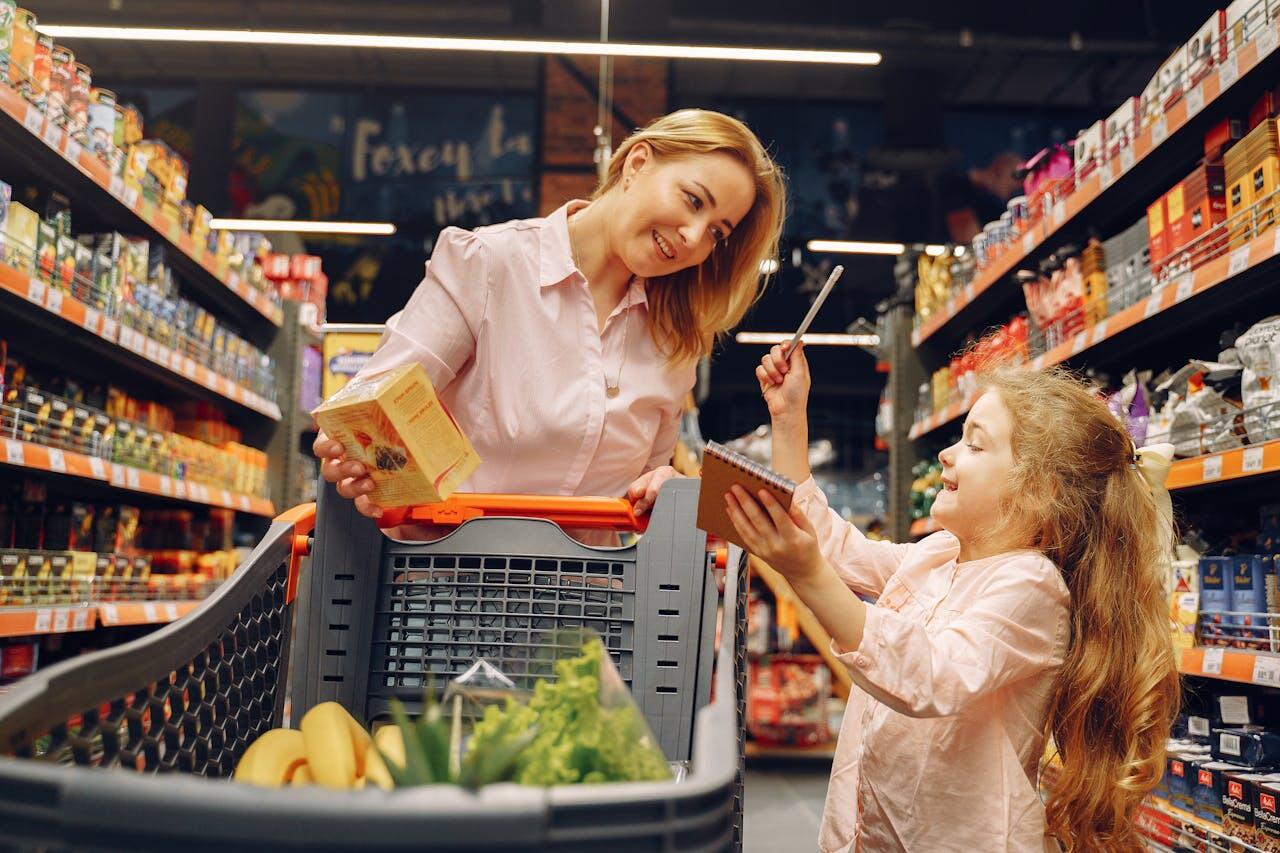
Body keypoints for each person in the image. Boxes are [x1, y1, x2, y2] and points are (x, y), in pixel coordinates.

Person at [729, 346, 1180, 852]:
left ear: (1038, 491)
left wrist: (806, 572)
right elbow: (837, 549)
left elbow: (927, 675)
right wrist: (790, 420)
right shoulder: (940, 554)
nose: (947, 453)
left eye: (975, 444)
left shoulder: (1033, 588)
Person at [313, 109, 786, 530]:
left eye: (716, 233)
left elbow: (644, 485)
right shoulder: (491, 265)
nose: (693, 237)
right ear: (638, 163)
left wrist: (666, 486)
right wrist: (364, 460)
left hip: (589, 612)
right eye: (693, 201)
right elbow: (373, 404)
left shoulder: (673, 336)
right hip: (450, 598)